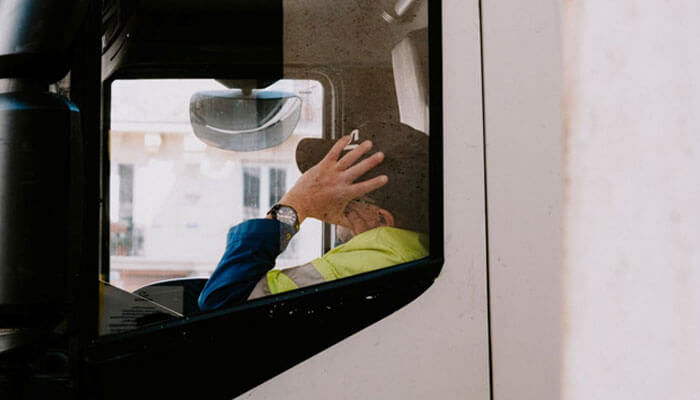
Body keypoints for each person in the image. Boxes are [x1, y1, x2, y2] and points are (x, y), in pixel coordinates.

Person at [198, 121, 429, 311]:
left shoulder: (362, 267)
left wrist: (298, 203)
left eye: (341, 192)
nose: (326, 197)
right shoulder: (410, 253)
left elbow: (221, 305)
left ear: (381, 220)